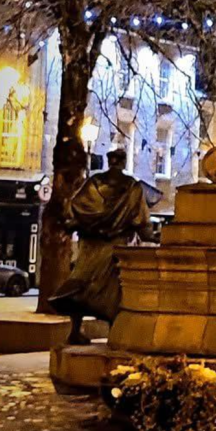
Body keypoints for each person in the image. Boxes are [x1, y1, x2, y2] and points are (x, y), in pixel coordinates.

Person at [49, 148, 151, 345]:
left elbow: (75, 208)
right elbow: (141, 220)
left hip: (90, 247)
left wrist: (77, 225)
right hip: (116, 246)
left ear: (109, 161)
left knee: (80, 284)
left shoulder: (93, 184)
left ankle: (75, 330)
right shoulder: (132, 187)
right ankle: (113, 333)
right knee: (114, 291)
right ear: (122, 162)